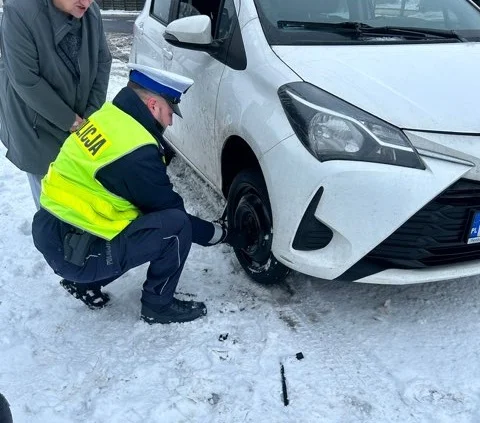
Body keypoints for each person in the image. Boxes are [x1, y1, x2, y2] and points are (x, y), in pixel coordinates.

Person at [31, 64, 247, 324]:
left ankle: (82, 283)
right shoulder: (134, 154)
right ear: (153, 104)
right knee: (175, 228)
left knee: (135, 222)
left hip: (56, 230)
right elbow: (174, 214)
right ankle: (158, 306)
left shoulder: (109, 116)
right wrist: (223, 234)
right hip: (77, 251)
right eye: (170, 112)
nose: (169, 121)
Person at [0, 0, 112, 209]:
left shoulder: (90, 11)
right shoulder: (19, 11)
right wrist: (70, 121)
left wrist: (90, 114)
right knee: (51, 204)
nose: (87, 2)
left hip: (81, 122)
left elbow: (103, 62)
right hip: (35, 125)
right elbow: (26, 79)